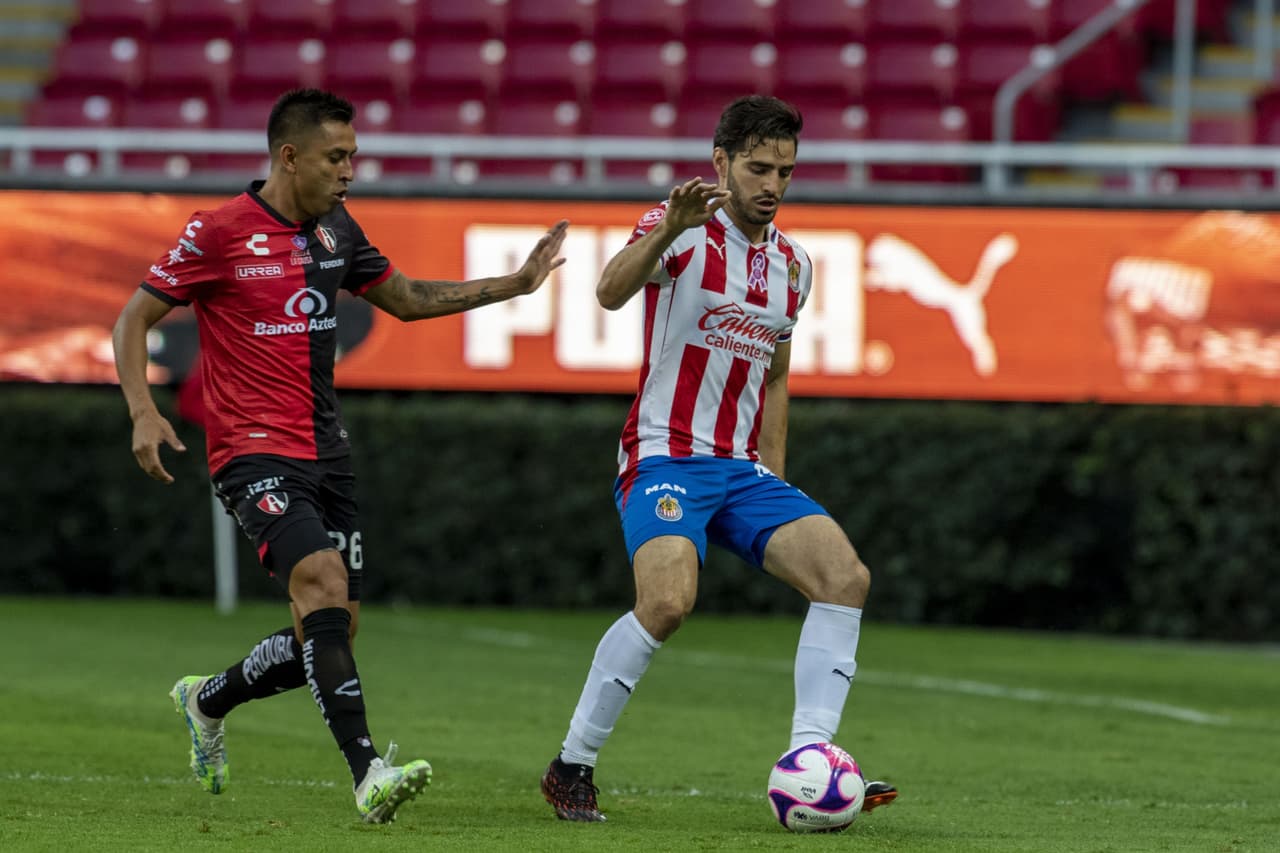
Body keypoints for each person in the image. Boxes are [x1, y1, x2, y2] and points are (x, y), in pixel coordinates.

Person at [113, 88, 568, 824]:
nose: (350, 170)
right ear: (289, 157)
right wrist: (141, 409)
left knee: (329, 630)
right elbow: (136, 314)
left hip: (328, 454)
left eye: (353, 155)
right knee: (320, 580)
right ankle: (369, 775)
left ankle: (206, 698)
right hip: (250, 453)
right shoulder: (221, 230)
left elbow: (410, 298)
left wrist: (514, 285)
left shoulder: (336, 232)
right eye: (337, 156)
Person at [540, 95, 898, 823]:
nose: (772, 184)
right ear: (721, 163)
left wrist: (775, 470)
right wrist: (669, 225)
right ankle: (571, 765)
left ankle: (811, 758)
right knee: (667, 603)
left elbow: (775, 374)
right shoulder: (678, 231)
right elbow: (609, 293)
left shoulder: (793, 266)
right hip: (665, 454)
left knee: (844, 576)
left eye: (785, 171)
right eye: (759, 168)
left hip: (741, 470)